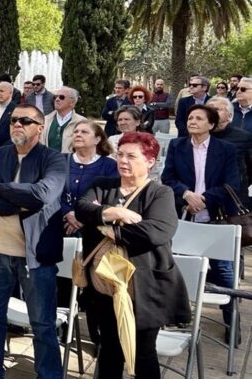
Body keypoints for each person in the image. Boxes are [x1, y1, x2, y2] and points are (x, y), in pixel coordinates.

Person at [75, 132, 190, 377]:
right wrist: (115, 211)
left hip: (145, 288)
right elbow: (82, 209)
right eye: (120, 154)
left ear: (150, 161)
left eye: (131, 156)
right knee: (109, 347)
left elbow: (156, 231)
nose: (123, 161)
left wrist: (106, 226)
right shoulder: (103, 184)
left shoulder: (160, 193)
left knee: (142, 351)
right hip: (103, 285)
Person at [0, 105, 67, 379]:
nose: (17, 125)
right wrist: (19, 203)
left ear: (40, 127)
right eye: (14, 120)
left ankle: (49, 375)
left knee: (42, 322)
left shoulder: (54, 160)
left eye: (25, 120)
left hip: (35, 255)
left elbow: (43, 195)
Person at [161, 104, 240, 338]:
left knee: (224, 271)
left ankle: (231, 322)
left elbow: (231, 184)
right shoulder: (177, 145)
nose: (192, 121)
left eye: (198, 118)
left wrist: (203, 199)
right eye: (190, 117)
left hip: (215, 218)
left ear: (211, 125)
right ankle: (180, 317)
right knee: (180, 268)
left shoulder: (225, 149)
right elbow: (168, 177)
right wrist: (187, 194)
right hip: (184, 216)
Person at [61, 120, 118, 235]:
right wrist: (67, 212)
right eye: (76, 132)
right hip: (59, 226)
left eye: (84, 132)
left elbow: (112, 197)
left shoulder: (110, 165)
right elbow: (51, 192)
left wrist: (83, 217)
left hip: (94, 230)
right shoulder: (60, 160)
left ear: (97, 139)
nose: (78, 134)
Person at [208, 97, 252, 197]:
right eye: (207, 110)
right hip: (204, 196)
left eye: (216, 110)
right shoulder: (198, 136)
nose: (210, 113)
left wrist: (238, 182)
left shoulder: (244, 137)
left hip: (234, 196)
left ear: (229, 115)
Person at [39, 87, 86, 153]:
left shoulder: (82, 122)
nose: (57, 99)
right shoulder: (45, 120)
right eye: (55, 97)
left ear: (72, 102)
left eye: (61, 97)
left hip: (71, 162)